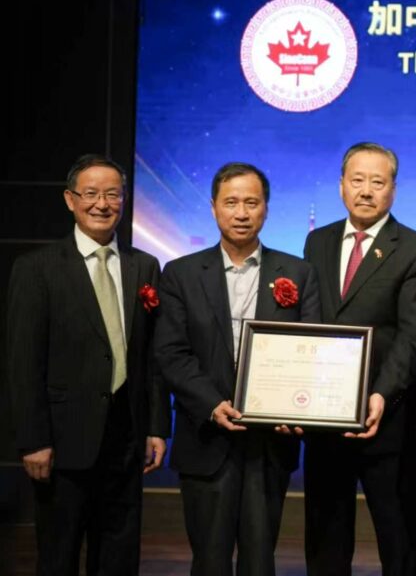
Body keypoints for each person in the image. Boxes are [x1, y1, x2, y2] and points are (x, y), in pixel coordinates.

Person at [6, 154, 170, 575]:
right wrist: (32, 440)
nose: (102, 204)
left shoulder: (144, 266)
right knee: (58, 557)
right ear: (70, 200)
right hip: (62, 443)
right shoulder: (36, 269)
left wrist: (156, 426)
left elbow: (152, 358)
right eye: (91, 194)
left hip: (126, 440)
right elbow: (23, 363)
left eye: (112, 194)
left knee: (118, 556)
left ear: (124, 200)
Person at [154, 162, 320, 576]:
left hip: (269, 443)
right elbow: (171, 352)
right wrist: (212, 404)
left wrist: (293, 407)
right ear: (214, 207)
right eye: (231, 203)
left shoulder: (297, 273)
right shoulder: (181, 274)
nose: (241, 213)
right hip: (205, 436)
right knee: (209, 560)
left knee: (260, 560)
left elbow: (310, 351)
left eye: (251, 202)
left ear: (266, 209)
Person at [302, 143, 416, 576]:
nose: (366, 191)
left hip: (388, 419)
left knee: (399, 538)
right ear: (341, 186)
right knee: (325, 536)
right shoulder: (317, 241)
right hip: (324, 419)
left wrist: (381, 393)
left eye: (377, 182)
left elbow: (412, 335)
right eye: (357, 180)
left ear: (393, 189)